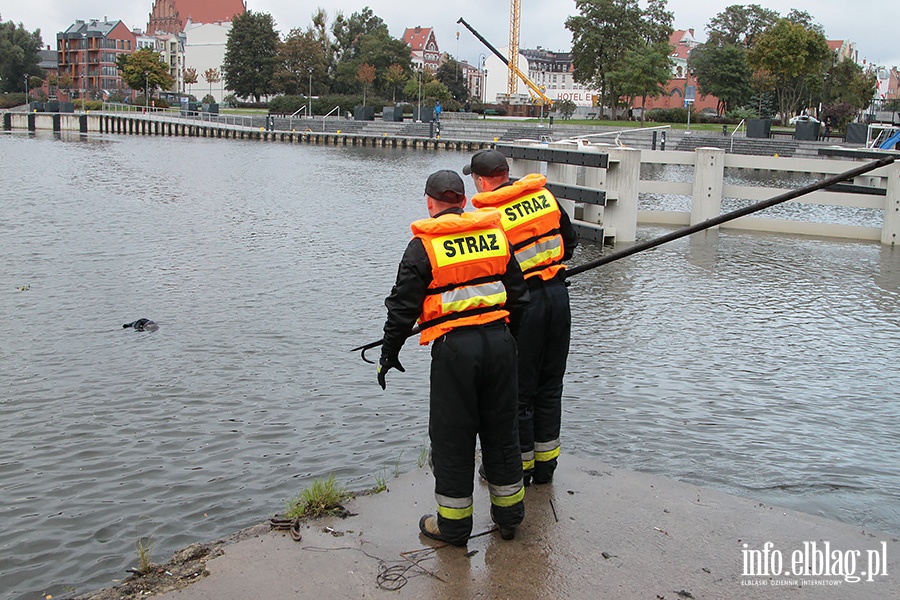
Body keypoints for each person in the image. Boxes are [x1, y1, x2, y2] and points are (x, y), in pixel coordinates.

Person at [378, 169, 529, 546]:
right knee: (502, 432)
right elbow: (518, 295)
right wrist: (508, 339)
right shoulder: (495, 234)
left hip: (455, 351)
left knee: (453, 438)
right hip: (499, 343)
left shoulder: (423, 246)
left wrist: (388, 354)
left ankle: (454, 527)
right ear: (463, 201)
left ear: (430, 203)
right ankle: (509, 518)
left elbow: (402, 308)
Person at [465, 149, 578, 486]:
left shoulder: (491, 217)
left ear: (482, 181)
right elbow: (569, 243)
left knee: (519, 392)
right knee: (551, 385)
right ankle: (545, 468)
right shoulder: (543, 197)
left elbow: (490, 271)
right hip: (558, 297)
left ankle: (520, 466)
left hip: (524, 305)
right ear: (506, 172)